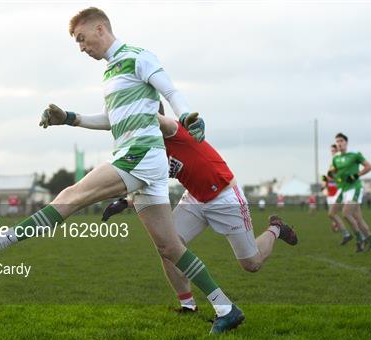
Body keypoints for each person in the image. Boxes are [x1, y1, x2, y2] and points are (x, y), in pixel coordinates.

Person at [0, 7, 242, 334]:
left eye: (81, 38)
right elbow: (111, 120)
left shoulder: (137, 56)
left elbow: (171, 91)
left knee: (71, 196)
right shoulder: (109, 74)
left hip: (141, 154)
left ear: (100, 29)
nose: (81, 47)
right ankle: (226, 307)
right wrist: (70, 118)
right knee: (169, 247)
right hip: (143, 159)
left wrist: (188, 116)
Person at [102, 108, 297, 313]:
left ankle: (276, 228)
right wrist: (124, 202)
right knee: (167, 245)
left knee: (251, 263)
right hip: (195, 197)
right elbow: (148, 186)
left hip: (224, 196)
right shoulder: (151, 150)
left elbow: (156, 116)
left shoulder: (172, 130)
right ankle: (188, 305)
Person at [331, 133, 371, 252]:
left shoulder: (355, 155)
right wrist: (332, 177)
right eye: (337, 141)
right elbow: (333, 174)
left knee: (346, 213)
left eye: (341, 141)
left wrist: (356, 175)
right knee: (357, 218)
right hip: (344, 190)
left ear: (346, 142)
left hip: (355, 188)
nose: (339, 143)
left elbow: (368, 167)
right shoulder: (336, 158)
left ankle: (360, 239)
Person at [322, 144, 352, 244]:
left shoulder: (340, 163)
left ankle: (354, 235)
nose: (333, 153)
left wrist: (331, 178)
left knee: (339, 214)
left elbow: (339, 178)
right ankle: (347, 233)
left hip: (340, 192)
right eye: (332, 151)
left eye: (334, 151)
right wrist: (324, 180)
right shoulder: (333, 162)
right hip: (331, 193)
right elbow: (328, 176)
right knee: (333, 214)